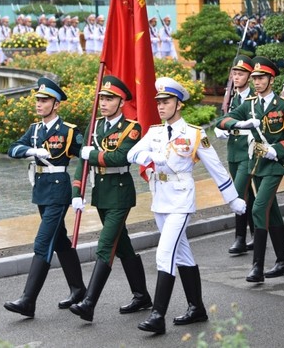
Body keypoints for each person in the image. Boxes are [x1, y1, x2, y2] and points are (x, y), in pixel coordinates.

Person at [127, 78, 246, 334]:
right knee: (181, 254)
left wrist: (232, 198)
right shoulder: (155, 132)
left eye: (166, 102)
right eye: (158, 102)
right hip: (160, 199)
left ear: (178, 104)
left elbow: (215, 167)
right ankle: (197, 308)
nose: (160, 106)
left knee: (164, 254)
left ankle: (158, 315)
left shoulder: (194, 134)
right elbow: (131, 153)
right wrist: (149, 156)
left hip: (181, 199)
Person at [68, 76, 152, 322]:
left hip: (120, 194)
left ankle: (89, 303)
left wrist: (91, 153)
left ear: (120, 101)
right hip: (101, 195)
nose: (103, 103)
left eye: (109, 99)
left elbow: (121, 158)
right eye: (102, 99)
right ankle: (142, 295)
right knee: (122, 245)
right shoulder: (94, 127)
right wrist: (77, 193)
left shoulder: (131, 127)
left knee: (105, 245)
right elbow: (82, 164)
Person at [216, 57, 284, 283]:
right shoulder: (250, 104)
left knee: (258, 207)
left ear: (271, 79)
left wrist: (277, 149)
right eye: (254, 78)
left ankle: (257, 266)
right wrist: (238, 124)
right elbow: (222, 120)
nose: (257, 82)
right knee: (272, 213)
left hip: (274, 165)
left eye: (261, 77)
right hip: (256, 165)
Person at [4, 77, 85, 318]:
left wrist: (79, 191)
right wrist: (31, 150)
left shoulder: (68, 131)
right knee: (60, 241)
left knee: (43, 242)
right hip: (40, 190)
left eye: (45, 100)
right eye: (38, 100)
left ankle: (28, 301)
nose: (39, 104)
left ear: (56, 104)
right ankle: (79, 290)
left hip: (59, 192)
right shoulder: (35, 130)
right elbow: (13, 149)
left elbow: (85, 158)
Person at [214, 55, 257, 255]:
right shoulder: (230, 96)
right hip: (233, 149)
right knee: (249, 193)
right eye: (235, 73)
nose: (236, 77)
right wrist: (220, 128)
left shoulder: (254, 97)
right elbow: (223, 117)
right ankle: (256, 232)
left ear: (249, 76)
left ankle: (239, 238)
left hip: (249, 149)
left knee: (238, 192)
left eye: (241, 74)